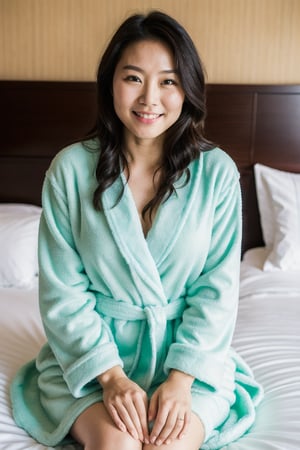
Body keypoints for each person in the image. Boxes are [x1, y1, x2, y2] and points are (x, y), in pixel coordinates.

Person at [10, 10, 263, 450]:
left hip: (188, 362)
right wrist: (110, 377)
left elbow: (217, 291)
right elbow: (62, 292)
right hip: (91, 360)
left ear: (187, 89)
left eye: (167, 81)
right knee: (118, 446)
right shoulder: (70, 170)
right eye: (133, 78)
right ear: (111, 83)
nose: (149, 98)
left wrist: (181, 381)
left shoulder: (216, 174)